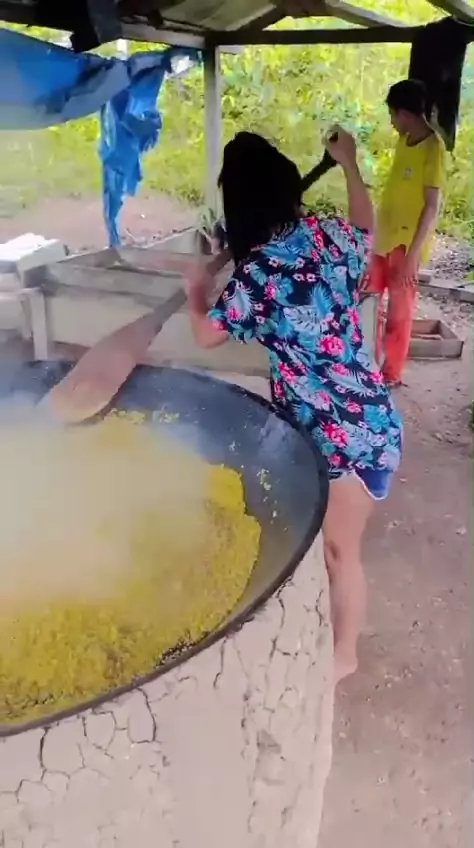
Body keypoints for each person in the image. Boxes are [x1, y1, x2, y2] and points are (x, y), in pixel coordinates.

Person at [184, 127, 403, 683]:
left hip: (347, 440)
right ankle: (330, 631)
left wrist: (196, 290)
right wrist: (348, 163)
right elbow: (365, 225)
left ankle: (344, 655)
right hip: (367, 416)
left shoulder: (257, 275)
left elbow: (206, 335)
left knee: (340, 552)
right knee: (332, 548)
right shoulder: (329, 236)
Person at [367, 79, 446, 387]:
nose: (392, 122)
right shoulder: (405, 139)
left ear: (405, 113)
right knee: (368, 302)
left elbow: (432, 206)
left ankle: (391, 374)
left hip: (406, 245)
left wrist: (413, 255)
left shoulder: (433, 148)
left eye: (392, 114)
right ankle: (367, 363)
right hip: (383, 238)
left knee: (399, 313)